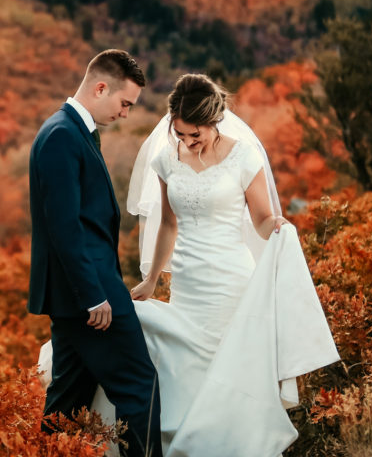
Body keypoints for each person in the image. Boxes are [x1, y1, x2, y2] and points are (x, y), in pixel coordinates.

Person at [124, 73, 339, 456]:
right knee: (188, 368)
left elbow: (259, 217)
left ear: (213, 121)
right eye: (181, 134)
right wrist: (152, 279)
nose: (187, 142)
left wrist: (275, 225)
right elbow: (169, 225)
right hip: (189, 283)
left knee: (232, 366)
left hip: (231, 279)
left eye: (195, 134)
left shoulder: (244, 157)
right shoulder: (166, 159)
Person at [28, 49, 163, 457]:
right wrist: (93, 294)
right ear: (100, 87)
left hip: (80, 292)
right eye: (124, 103)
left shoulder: (74, 130)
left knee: (67, 403)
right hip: (89, 295)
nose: (126, 113)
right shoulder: (61, 136)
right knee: (140, 385)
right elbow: (64, 227)